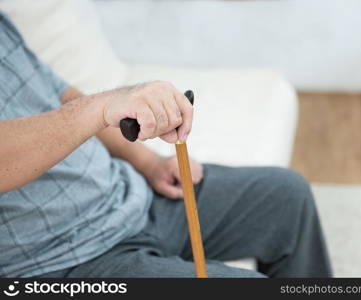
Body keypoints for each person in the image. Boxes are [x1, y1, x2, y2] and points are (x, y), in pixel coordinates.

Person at [0, 12, 331, 278]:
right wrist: (102, 106)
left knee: (287, 196)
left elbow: (62, 99)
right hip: (53, 262)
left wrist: (148, 163)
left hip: (124, 197)